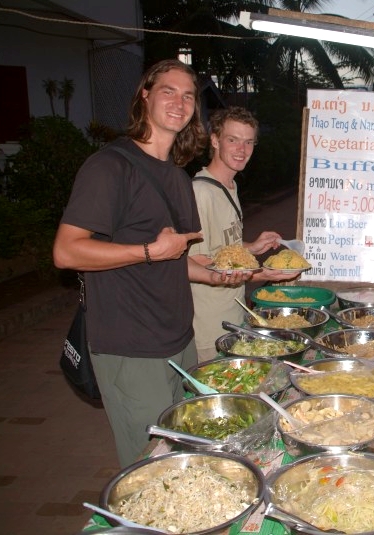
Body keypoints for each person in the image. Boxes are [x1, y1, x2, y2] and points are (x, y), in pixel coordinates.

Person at [52, 59, 235, 467]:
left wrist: (227, 275)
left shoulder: (176, 176)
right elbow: (66, 251)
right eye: (167, 91)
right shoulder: (110, 166)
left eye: (188, 95)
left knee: (189, 452)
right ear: (145, 96)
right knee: (152, 467)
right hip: (131, 347)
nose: (180, 101)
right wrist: (149, 251)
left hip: (179, 340)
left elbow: (176, 259)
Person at [188, 107, 296, 361]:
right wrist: (259, 274)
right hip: (208, 326)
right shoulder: (200, 193)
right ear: (215, 140)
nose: (242, 149)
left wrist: (252, 247)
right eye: (232, 139)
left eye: (248, 142)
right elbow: (196, 262)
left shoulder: (230, 185)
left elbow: (223, 251)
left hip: (234, 313)